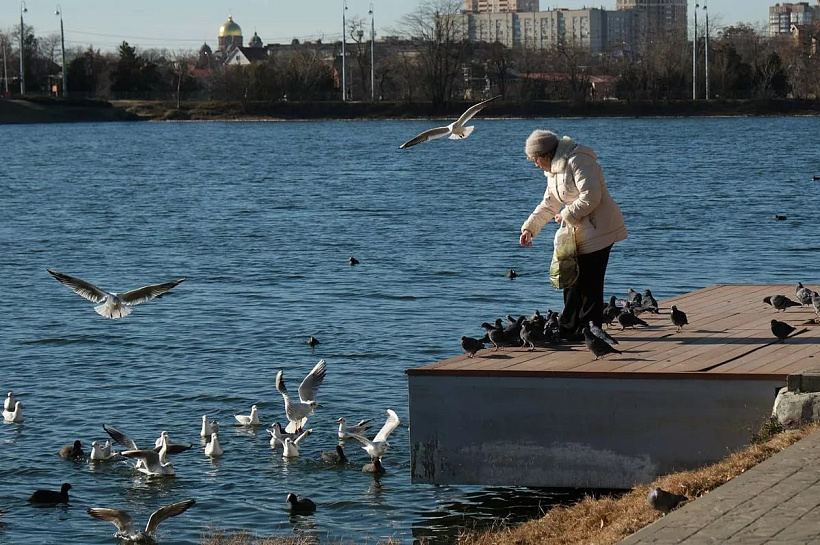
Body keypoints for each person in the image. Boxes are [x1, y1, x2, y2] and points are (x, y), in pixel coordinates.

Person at [519, 129, 627, 341]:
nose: (535, 164)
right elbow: (549, 204)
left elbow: (591, 197)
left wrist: (567, 214)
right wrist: (530, 228)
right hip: (577, 231)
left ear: (545, 156)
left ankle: (589, 331)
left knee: (589, 282)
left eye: (535, 159)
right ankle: (569, 329)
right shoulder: (554, 172)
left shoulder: (580, 161)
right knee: (570, 279)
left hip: (600, 229)